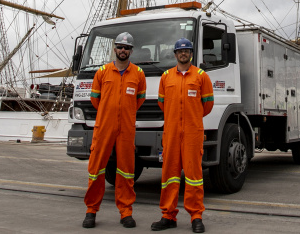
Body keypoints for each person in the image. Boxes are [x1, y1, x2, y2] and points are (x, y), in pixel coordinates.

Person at [82, 32, 146, 229]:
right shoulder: (102, 72)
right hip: (104, 127)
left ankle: (126, 212)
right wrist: (109, 113)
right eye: (120, 47)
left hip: (126, 128)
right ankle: (91, 210)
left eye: (126, 48)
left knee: (127, 170)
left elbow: (139, 100)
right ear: (115, 48)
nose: (123, 50)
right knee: (96, 168)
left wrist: (124, 113)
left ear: (131, 51)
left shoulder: (138, 74)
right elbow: (95, 100)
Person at [152, 38, 214, 233]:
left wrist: (191, 118)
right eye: (180, 51)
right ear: (175, 54)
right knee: (169, 175)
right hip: (171, 133)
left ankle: (196, 217)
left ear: (191, 53)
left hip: (193, 134)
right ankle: (168, 216)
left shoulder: (201, 76)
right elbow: (162, 103)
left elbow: (207, 105)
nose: (183, 53)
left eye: (186, 50)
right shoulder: (166, 77)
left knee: (194, 176)